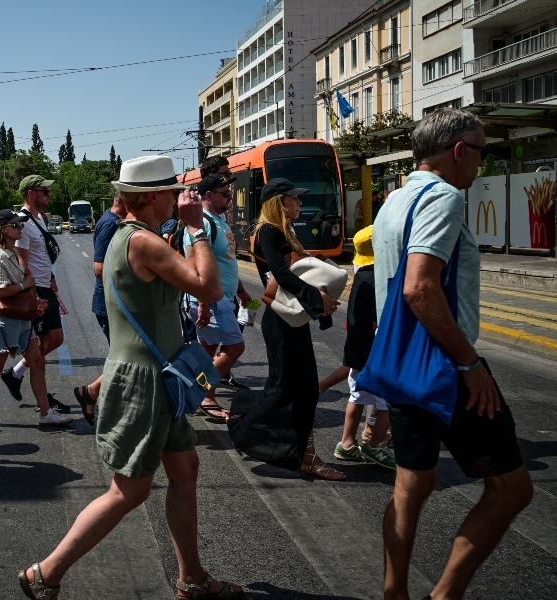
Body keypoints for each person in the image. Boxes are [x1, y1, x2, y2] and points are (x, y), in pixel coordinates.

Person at [18, 156, 241, 600]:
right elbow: (209, 288)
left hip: (162, 373)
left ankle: (192, 579)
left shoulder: (136, 236)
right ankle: (45, 573)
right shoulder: (142, 242)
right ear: (154, 196)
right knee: (129, 490)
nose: (182, 198)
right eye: (175, 192)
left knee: (185, 469)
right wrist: (197, 229)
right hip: (144, 380)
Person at [373, 108, 532, 600]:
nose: (481, 165)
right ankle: (445, 595)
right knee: (512, 490)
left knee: (411, 485)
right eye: (481, 152)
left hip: (402, 367)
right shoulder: (443, 198)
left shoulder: (394, 200)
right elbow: (419, 289)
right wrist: (469, 363)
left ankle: (394, 592)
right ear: (460, 151)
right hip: (444, 367)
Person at [227, 178, 344, 481]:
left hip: (293, 319)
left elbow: (299, 275)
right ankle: (242, 428)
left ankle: (307, 457)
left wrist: (321, 307)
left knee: (306, 390)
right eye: (295, 198)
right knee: (283, 387)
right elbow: (279, 273)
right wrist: (316, 301)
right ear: (280, 202)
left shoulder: (286, 231)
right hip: (279, 321)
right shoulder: (268, 230)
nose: (300, 203)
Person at [0, 210, 72, 428]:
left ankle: (45, 412)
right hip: (4, 322)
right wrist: (25, 285)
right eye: (16, 226)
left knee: (37, 362)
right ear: (3, 229)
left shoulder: (12, 253)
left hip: (22, 320)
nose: (20, 229)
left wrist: (34, 302)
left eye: (21, 226)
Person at [322, 226, 394, 470]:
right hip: (375, 352)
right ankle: (374, 446)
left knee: (357, 396)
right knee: (385, 401)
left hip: (357, 350)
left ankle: (347, 443)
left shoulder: (361, 277)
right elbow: (378, 323)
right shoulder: (378, 281)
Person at [0, 174, 71, 415]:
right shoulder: (23, 222)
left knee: (56, 339)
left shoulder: (39, 218)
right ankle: (44, 401)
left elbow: (43, 257)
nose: (49, 196)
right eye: (44, 191)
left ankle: (16, 373)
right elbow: (23, 262)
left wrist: (51, 278)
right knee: (40, 349)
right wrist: (33, 294)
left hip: (45, 285)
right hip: (35, 290)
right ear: (31, 193)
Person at [191, 173, 253, 421]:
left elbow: (225, 261)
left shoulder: (219, 222)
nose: (230, 197)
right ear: (209, 195)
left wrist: (240, 290)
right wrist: (204, 303)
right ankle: (204, 396)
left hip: (222, 296)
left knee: (207, 351)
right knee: (235, 346)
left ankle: (196, 396)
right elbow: (197, 264)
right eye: (225, 194)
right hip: (212, 299)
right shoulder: (203, 223)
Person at [73, 191, 126, 426]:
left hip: (115, 303)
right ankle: (97, 396)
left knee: (124, 359)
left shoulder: (115, 221)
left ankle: (93, 393)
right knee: (125, 359)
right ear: (123, 199)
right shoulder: (110, 223)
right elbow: (98, 267)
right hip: (110, 304)